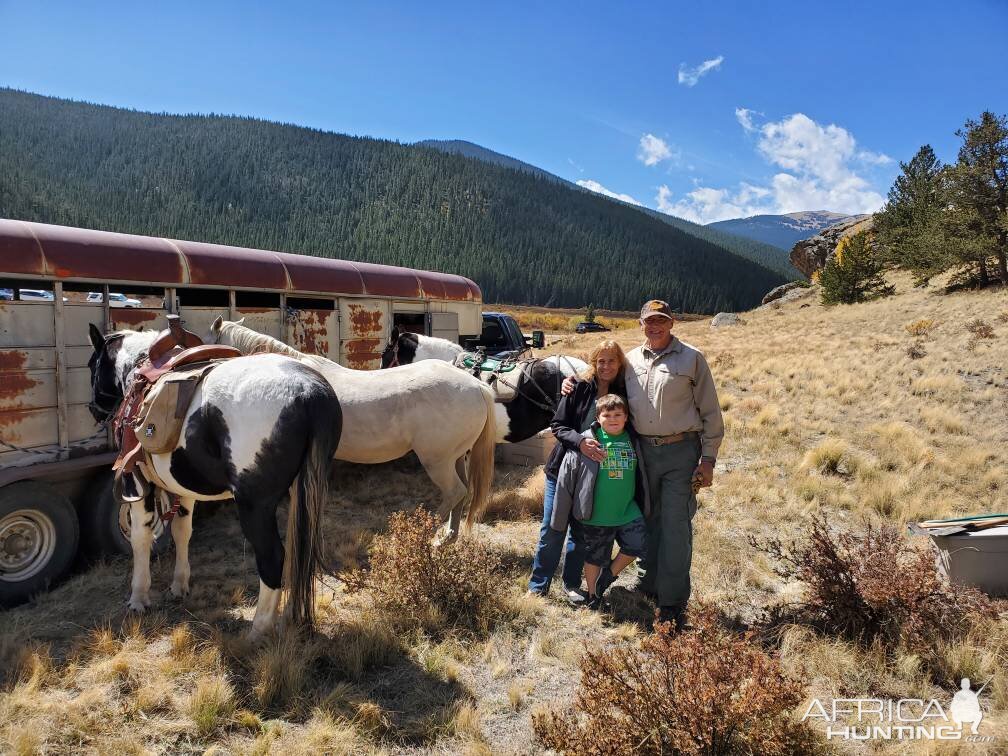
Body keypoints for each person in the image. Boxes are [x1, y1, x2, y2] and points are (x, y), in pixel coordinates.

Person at [563, 299, 724, 630]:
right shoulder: (631, 359)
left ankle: (672, 601)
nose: (655, 326)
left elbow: (710, 411)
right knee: (647, 516)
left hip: (681, 451)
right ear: (641, 324)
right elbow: (603, 376)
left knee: (675, 524)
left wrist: (708, 458)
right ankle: (649, 583)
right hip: (642, 453)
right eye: (649, 321)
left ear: (671, 323)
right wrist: (573, 381)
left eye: (661, 321)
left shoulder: (692, 358)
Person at [527, 339, 628, 601]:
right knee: (552, 528)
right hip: (562, 470)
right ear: (594, 363)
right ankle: (538, 586)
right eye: (600, 361)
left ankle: (571, 585)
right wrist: (581, 442)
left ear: (620, 364)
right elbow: (558, 425)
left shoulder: (624, 394)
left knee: (581, 532)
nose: (606, 366)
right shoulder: (579, 387)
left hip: (598, 477)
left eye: (611, 360)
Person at [550, 394, 650, 609]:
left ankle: (609, 575)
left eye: (618, 415)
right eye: (607, 415)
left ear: (626, 418)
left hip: (626, 509)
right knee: (596, 557)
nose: (613, 419)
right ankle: (594, 595)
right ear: (598, 417)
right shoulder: (588, 441)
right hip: (597, 513)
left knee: (637, 544)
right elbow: (567, 480)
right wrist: (560, 515)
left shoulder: (633, 440)